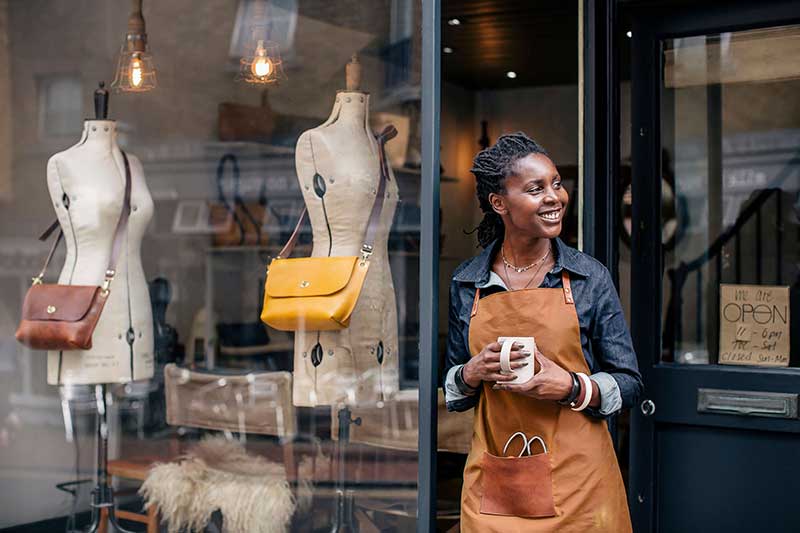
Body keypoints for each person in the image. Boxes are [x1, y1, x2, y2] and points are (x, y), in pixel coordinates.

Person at [444, 132, 643, 532]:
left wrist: (571, 386)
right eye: (536, 189)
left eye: (556, 184)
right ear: (499, 203)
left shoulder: (589, 277)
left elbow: (631, 383)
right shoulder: (469, 283)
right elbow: (452, 386)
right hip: (497, 479)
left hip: (580, 486)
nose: (555, 197)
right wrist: (471, 373)